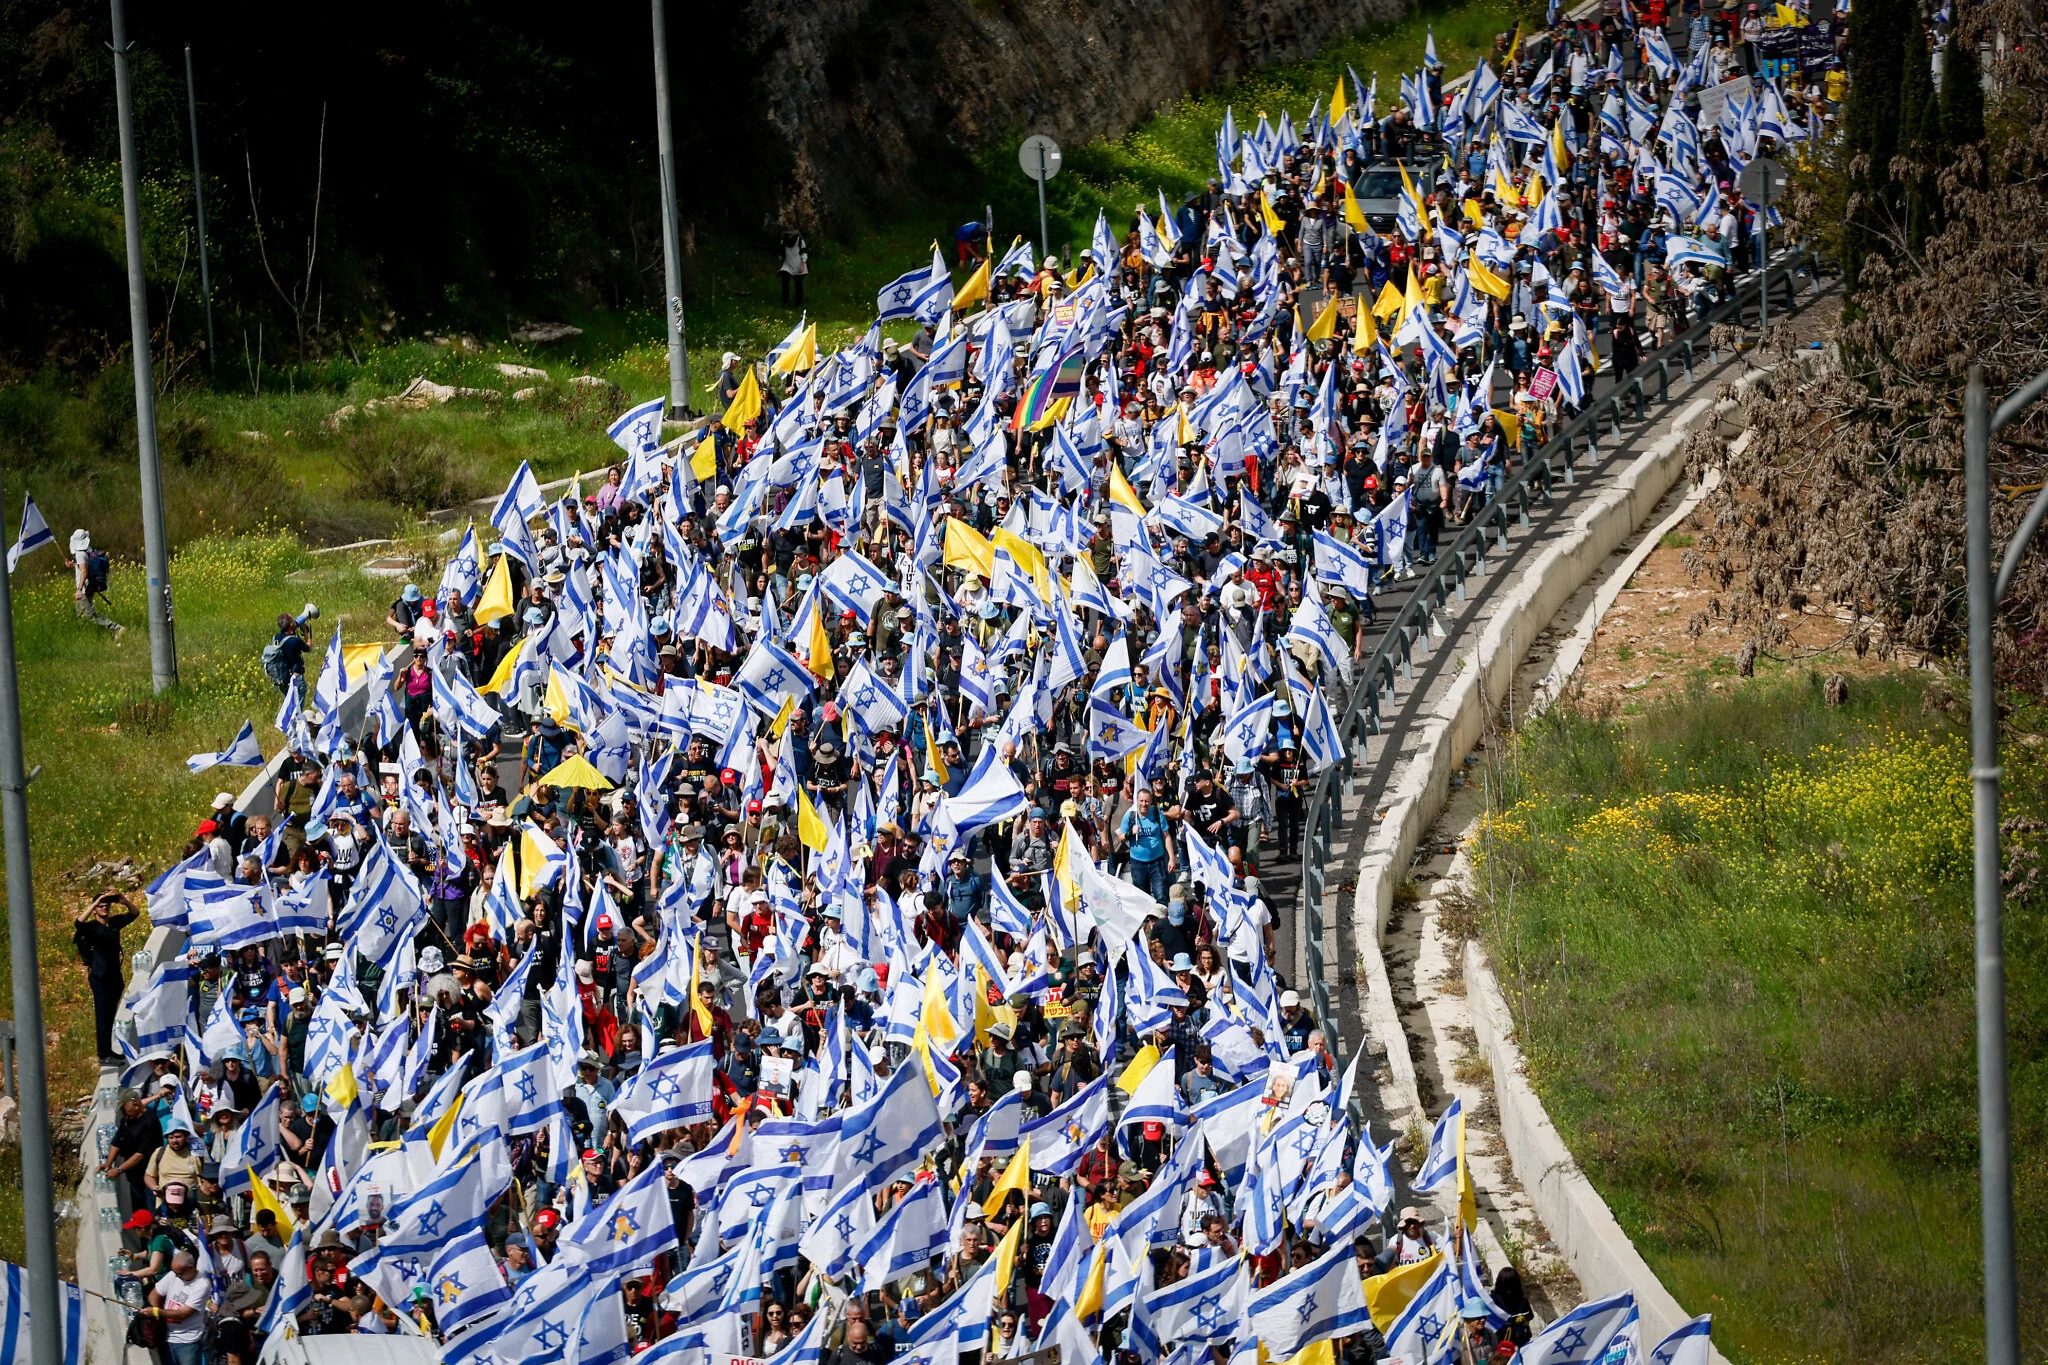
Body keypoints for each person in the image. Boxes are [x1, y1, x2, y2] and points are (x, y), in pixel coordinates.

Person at [74, 891, 140, 1062]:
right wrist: (95, 904)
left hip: (114, 977)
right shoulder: (92, 928)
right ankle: (103, 1054)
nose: (104, 908)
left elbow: (134, 913)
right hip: (100, 977)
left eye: (107, 905)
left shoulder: (114, 923)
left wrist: (123, 900)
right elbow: (78, 923)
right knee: (102, 1016)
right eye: (101, 906)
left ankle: (108, 1051)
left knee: (111, 1015)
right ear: (96, 909)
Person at [148, 1249, 216, 1365]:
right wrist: (156, 1313)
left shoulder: (202, 1285)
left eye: (180, 1274)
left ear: (190, 1268)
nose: (177, 1276)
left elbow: (183, 1314)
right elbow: (154, 1294)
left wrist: (156, 1312)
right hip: (167, 1337)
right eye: (175, 1273)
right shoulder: (173, 1275)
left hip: (188, 1342)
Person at [64, 528, 120, 633]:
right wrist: (73, 564)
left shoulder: (80, 554)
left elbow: (84, 571)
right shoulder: (87, 551)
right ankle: (81, 636)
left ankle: (117, 628)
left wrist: (79, 590)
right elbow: (84, 565)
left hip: (84, 590)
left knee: (91, 616)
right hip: (88, 587)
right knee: (79, 616)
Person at [779, 228, 809, 308]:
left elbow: (804, 253)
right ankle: (785, 302)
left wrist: (802, 264)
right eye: (788, 234)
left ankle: (798, 303)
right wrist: (779, 265)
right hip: (787, 264)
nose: (789, 236)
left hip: (799, 264)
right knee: (785, 283)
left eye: (791, 234)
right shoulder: (783, 241)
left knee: (798, 285)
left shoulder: (800, 241)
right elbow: (781, 254)